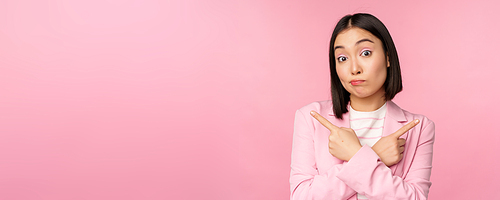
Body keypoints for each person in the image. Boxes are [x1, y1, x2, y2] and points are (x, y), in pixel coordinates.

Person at [289, 13, 435, 200]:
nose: (354, 68)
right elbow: (301, 197)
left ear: (388, 58)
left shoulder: (420, 127)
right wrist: (374, 155)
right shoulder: (310, 118)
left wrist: (356, 155)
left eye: (365, 53)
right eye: (342, 58)